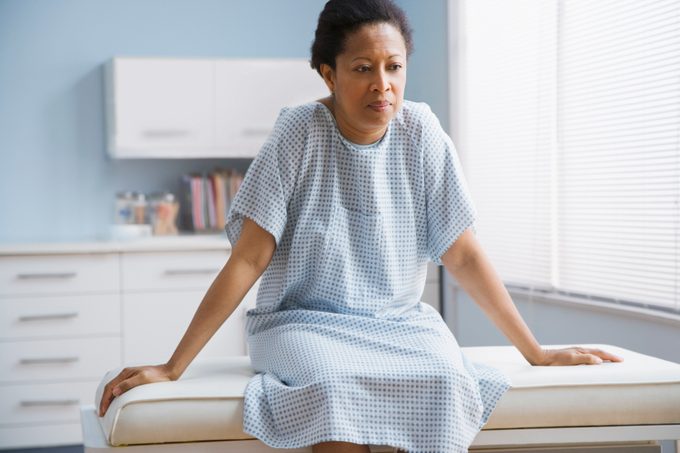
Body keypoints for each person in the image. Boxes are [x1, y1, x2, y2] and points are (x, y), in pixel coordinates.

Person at [98, 1, 624, 452]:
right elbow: (250, 258)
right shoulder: (298, 133)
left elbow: (461, 253)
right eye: (362, 68)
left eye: (394, 67)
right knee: (334, 386)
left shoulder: (422, 134)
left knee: (444, 381)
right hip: (302, 323)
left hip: (399, 322)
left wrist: (535, 352)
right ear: (328, 74)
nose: (383, 86)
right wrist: (173, 367)